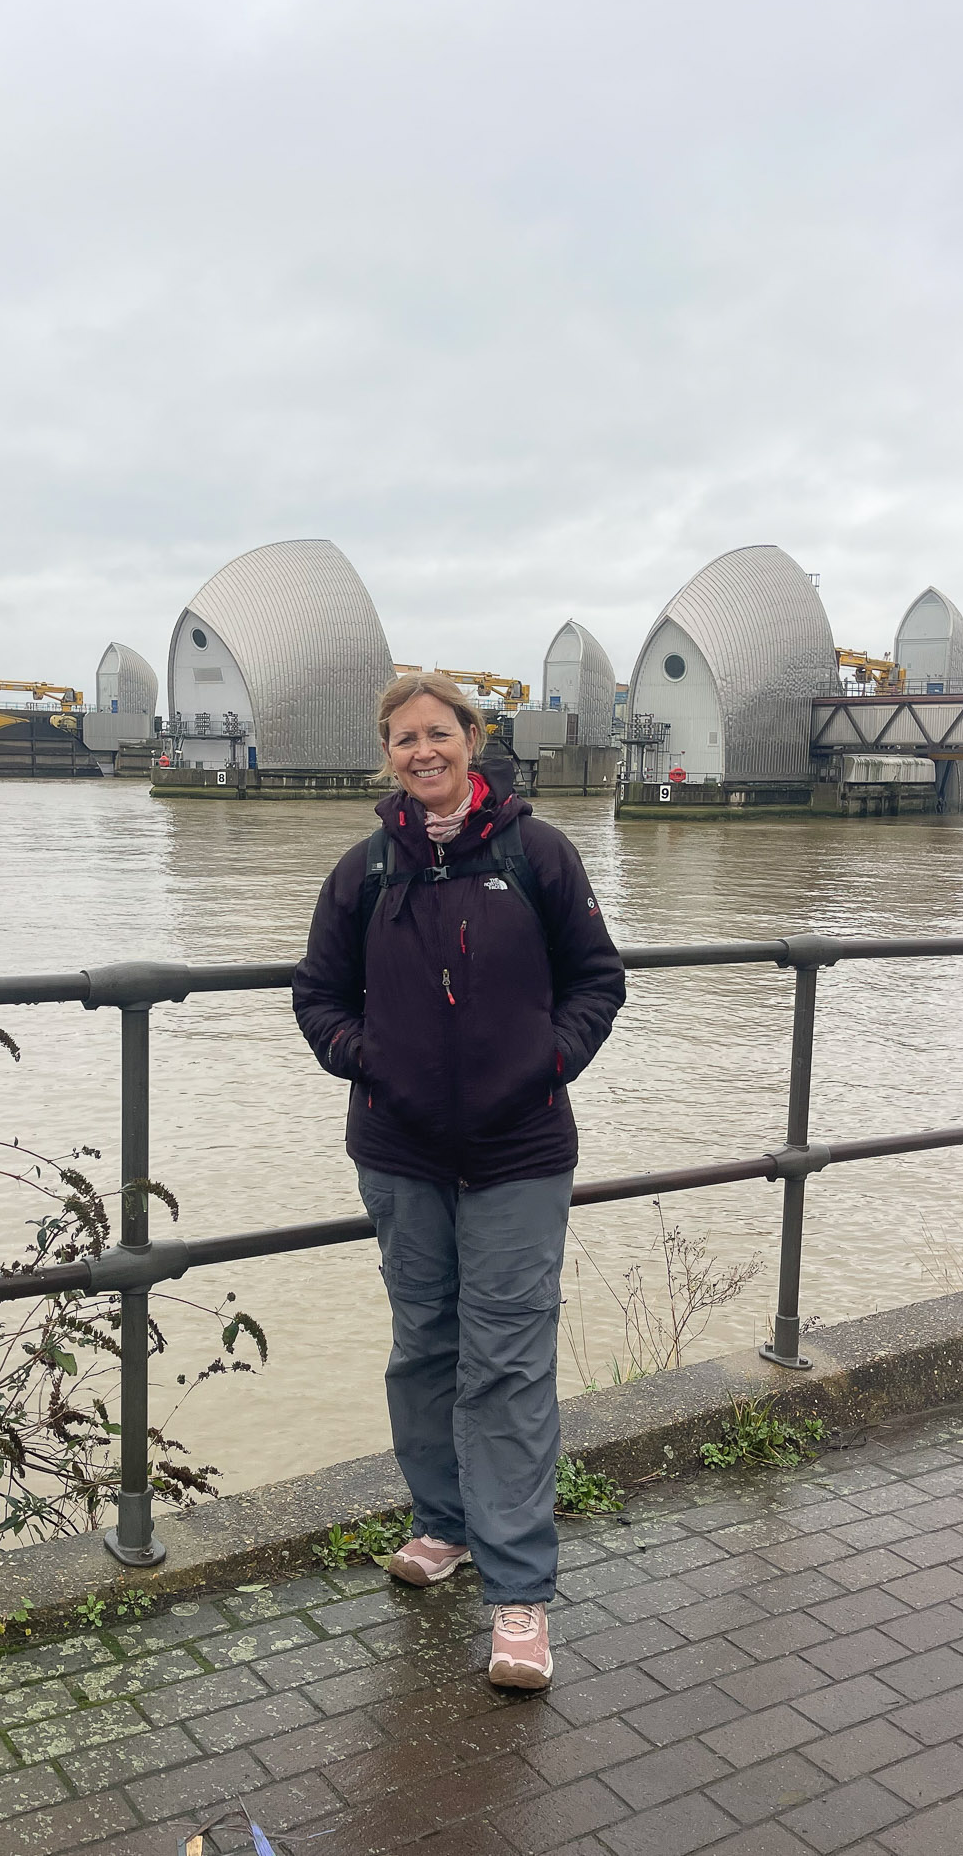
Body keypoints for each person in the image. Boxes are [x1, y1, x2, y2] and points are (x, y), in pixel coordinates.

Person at [292, 671, 626, 1690]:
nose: (422, 750)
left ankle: (519, 1595)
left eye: (439, 732)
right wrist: (370, 1057)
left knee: (509, 1362)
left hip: (520, 1150)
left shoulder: (537, 855)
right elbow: (315, 995)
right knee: (423, 1347)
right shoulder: (366, 870)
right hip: (400, 1151)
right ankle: (443, 1522)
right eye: (404, 738)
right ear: (386, 752)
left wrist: (546, 1065)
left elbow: (597, 981)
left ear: (473, 740)